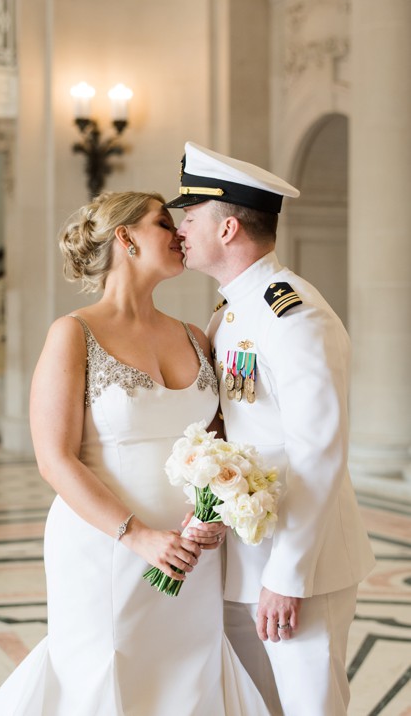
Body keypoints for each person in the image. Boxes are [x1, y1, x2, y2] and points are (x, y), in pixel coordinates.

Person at [0, 191, 267, 715]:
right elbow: (54, 458)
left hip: (191, 551)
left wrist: (217, 513)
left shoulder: (196, 336)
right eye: (164, 223)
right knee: (105, 670)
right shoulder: (74, 333)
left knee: (189, 673)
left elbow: (224, 441)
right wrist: (136, 536)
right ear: (126, 236)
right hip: (104, 548)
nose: (179, 234)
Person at [167, 141, 376, 716]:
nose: (180, 228)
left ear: (228, 227)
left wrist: (288, 576)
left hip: (301, 565)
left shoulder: (295, 316)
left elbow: (318, 451)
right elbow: (242, 432)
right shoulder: (233, 311)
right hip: (246, 560)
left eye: (189, 217)